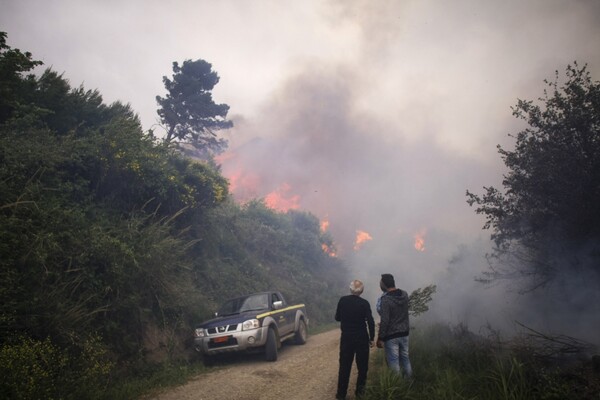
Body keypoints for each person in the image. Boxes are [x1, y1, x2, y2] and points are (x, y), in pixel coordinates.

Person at [335, 279, 375, 400]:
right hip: (361, 339)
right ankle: (360, 393)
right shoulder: (365, 303)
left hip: (346, 338)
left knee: (344, 367)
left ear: (350, 289)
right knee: (362, 367)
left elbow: (337, 317)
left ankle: (341, 394)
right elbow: (371, 322)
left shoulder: (343, 300)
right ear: (361, 291)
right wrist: (372, 338)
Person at [376, 273, 413, 378]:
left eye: (380, 283)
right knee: (406, 359)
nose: (380, 285)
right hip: (404, 333)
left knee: (394, 364)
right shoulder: (404, 294)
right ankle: (409, 384)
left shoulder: (385, 300)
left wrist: (380, 338)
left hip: (392, 336)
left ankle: (398, 388)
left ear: (384, 284)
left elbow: (385, 320)